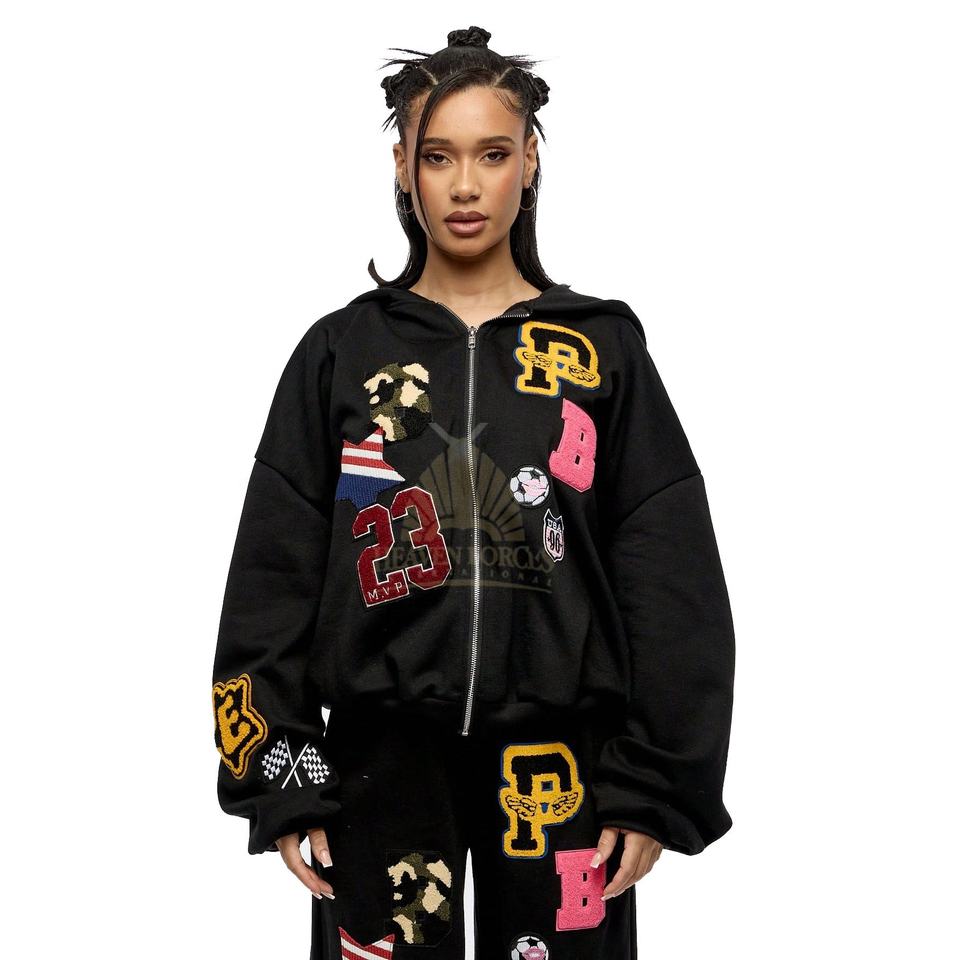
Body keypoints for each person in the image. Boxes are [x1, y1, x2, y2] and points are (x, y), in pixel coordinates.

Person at [211, 25, 736, 960]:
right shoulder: (340, 353)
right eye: (438, 156)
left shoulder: (600, 351)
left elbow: (670, 577)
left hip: (562, 769)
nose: (464, 185)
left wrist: (654, 785)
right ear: (401, 168)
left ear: (529, 163)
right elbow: (271, 578)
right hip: (378, 763)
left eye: (492, 154)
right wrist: (282, 775)